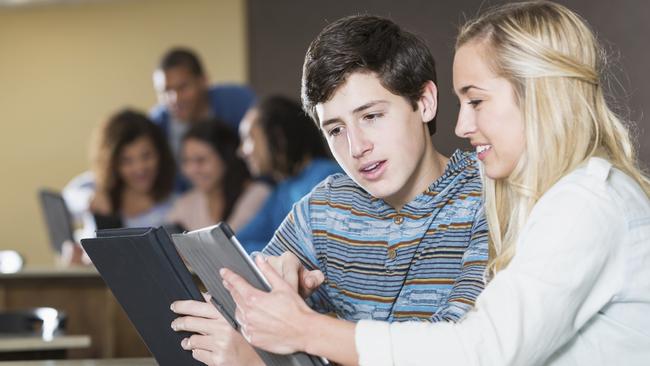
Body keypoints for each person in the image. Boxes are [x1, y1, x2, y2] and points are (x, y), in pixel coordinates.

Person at [217, 2, 650, 365]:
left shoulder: (574, 202)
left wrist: (305, 330)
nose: (461, 125)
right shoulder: (323, 206)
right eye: (334, 130)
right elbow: (245, 306)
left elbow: (476, 349)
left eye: (476, 101)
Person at [170, 16, 488, 366]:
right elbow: (245, 315)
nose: (356, 147)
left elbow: (457, 352)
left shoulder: (489, 197)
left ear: (425, 101)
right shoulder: (323, 208)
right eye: (336, 129)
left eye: (371, 116)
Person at [62, 109, 176, 264]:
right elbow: (65, 201)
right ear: (112, 163)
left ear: (160, 154)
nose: (139, 168)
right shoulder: (94, 187)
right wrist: (89, 200)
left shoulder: (173, 205)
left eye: (146, 156)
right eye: (126, 161)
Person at [234, 95, 343, 252]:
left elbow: (311, 251)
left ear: (279, 136)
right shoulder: (283, 189)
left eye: (248, 138)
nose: (241, 151)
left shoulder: (328, 179)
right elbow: (240, 242)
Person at [150, 47, 256, 191]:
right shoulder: (156, 125)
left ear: (203, 81)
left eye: (183, 87)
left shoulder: (238, 102)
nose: (175, 99)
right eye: (166, 91)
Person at [166, 119, 271, 231]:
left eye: (201, 160)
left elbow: (235, 242)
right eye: (186, 161)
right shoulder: (184, 205)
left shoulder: (258, 194)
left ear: (226, 158)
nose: (191, 170)